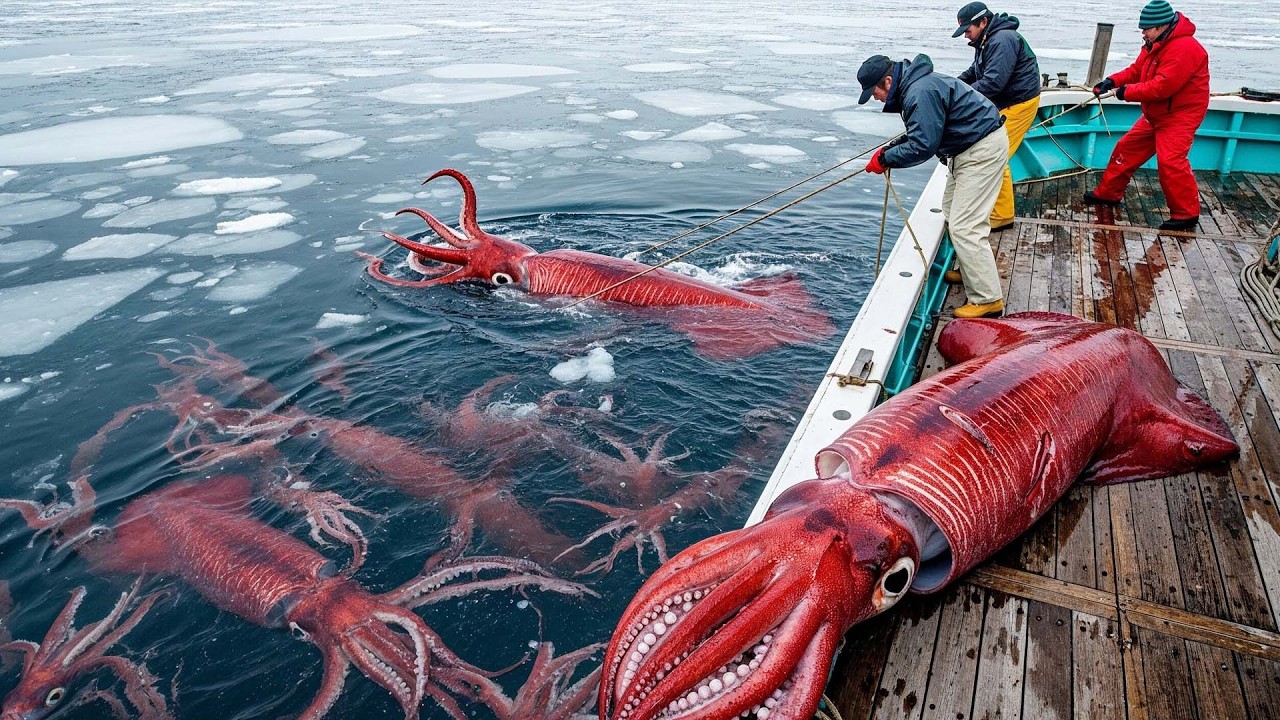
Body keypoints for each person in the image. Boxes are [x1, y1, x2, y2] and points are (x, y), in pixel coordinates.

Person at [858, 53, 1009, 319]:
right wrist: (889, 150)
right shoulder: (916, 86)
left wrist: (885, 159)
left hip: (980, 150)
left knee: (966, 225)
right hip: (966, 150)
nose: (876, 98)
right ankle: (972, 271)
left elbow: (922, 146)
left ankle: (988, 299)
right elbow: (922, 131)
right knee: (951, 210)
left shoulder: (919, 92)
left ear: (889, 81)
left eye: (875, 92)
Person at [1083, 0, 1210, 232]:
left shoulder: (1185, 49)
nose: (1143, 32)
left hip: (1180, 115)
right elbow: (1137, 70)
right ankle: (1108, 194)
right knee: (1125, 150)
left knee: (1171, 161)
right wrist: (1113, 81)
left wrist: (1124, 93)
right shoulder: (1155, 44)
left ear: (1161, 26)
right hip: (1156, 113)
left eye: (1146, 28)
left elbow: (1162, 87)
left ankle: (1186, 214)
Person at [953, 1, 1041, 233]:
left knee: (996, 156)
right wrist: (954, 86)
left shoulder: (1002, 40)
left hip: (1019, 103)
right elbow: (976, 70)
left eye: (968, 30)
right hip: (1005, 102)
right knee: (994, 153)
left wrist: (959, 99)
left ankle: (1001, 216)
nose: (965, 36)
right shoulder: (985, 39)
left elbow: (992, 82)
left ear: (982, 22)